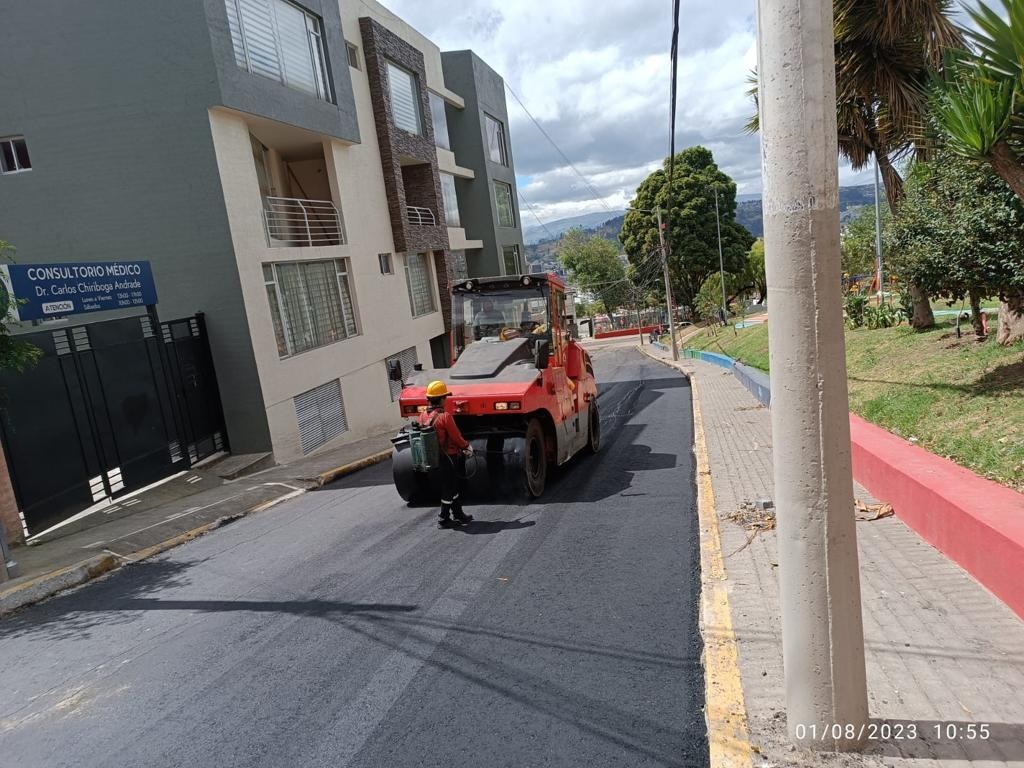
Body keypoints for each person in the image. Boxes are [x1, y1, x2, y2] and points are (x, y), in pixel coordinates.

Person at [419, 380, 474, 527]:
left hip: (433, 459)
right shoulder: (445, 417)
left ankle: (458, 514)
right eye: (445, 397)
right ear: (442, 398)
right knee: (449, 488)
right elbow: (456, 436)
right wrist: (467, 447)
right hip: (449, 458)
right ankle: (443, 518)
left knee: (451, 485)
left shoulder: (423, 415)